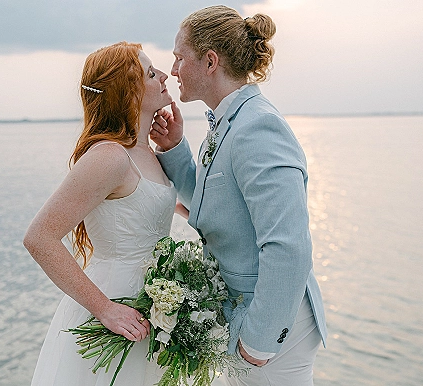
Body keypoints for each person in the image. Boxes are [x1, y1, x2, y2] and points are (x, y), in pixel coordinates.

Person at [150, 5, 328, 386]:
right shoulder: (229, 121)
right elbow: (216, 206)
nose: (174, 69)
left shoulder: (258, 126)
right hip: (245, 314)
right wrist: (175, 149)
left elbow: (289, 244)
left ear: (210, 61)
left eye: (180, 57)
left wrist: (259, 340)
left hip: (274, 327)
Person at [23, 42, 176, 386]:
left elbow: (190, 211)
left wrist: (174, 148)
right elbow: (39, 237)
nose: (164, 75)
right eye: (151, 73)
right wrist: (105, 309)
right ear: (128, 91)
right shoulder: (109, 156)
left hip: (153, 309)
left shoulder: (146, 151)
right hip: (115, 306)